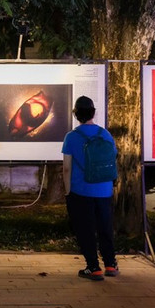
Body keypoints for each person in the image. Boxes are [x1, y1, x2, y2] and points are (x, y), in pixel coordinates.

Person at [62, 95, 119, 281]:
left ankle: (93, 268)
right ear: (93, 112)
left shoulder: (72, 137)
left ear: (76, 114)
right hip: (104, 189)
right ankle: (111, 264)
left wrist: (67, 190)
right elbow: (112, 159)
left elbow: (66, 168)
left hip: (81, 190)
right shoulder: (106, 135)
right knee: (105, 227)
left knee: (85, 228)